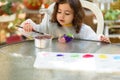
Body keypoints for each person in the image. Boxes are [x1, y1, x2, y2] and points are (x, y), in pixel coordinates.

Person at [19, 0, 111, 43]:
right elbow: (38, 31)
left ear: (75, 15)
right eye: (59, 12)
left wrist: (101, 39)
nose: (61, 16)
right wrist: (28, 27)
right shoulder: (51, 25)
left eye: (67, 13)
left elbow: (93, 40)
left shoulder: (83, 30)